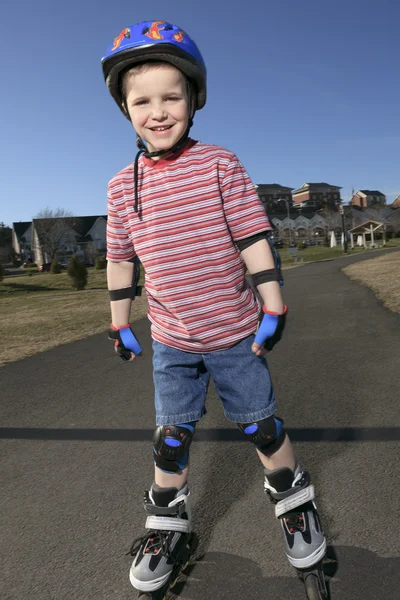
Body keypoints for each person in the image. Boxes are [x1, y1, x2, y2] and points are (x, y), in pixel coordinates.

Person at [101, 21, 326, 595]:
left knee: (261, 426)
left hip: (234, 332)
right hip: (172, 340)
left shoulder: (220, 165)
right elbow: (121, 257)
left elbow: (253, 235)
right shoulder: (120, 186)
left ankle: (294, 505)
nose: (157, 111)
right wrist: (120, 320)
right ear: (125, 109)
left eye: (171, 96)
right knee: (170, 437)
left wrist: (272, 305)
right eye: (141, 100)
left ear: (194, 99)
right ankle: (166, 526)